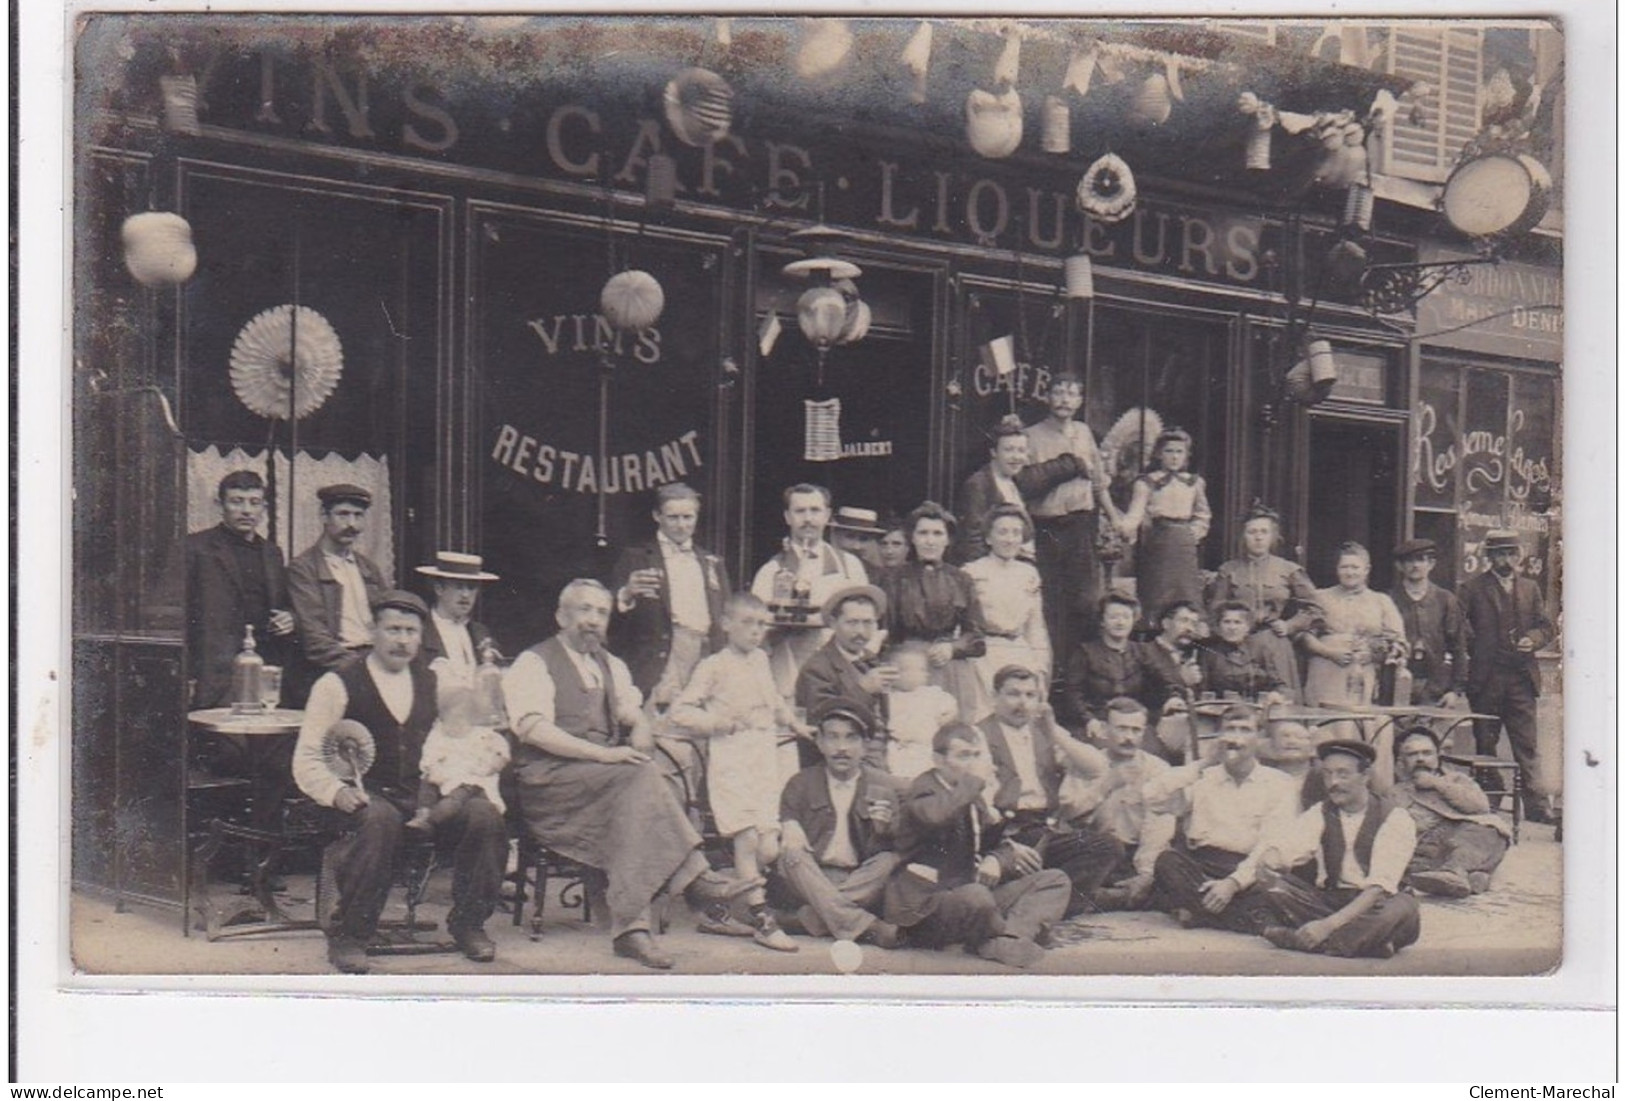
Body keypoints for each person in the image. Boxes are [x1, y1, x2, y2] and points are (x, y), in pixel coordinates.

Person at [499, 579, 758, 970]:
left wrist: (639, 726)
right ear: (561, 616)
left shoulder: (610, 665)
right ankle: (694, 882)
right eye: (584, 610)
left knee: (640, 786)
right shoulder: (534, 662)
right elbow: (534, 729)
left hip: (601, 787)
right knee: (635, 782)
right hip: (550, 787)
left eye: (601, 612)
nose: (593, 620)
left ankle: (632, 930)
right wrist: (603, 755)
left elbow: (630, 710)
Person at [291, 591, 507, 973]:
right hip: (363, 796)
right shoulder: (337, 683)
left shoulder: (436, 680)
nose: (402, 640)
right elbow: (307, 757)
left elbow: (466, 732)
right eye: (392, 629)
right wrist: (336, 792)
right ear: (373, 631)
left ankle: (469, 924)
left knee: (484, 815)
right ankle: (351, 935)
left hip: (424, 794)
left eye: (410, 631)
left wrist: (475, 763)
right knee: (378, 819)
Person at [668, 592, 814, 951]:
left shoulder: (763, 660)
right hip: (731, 760)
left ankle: (716, 905)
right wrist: (720, 722)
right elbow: (680, 712)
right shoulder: (714, 666)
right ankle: (763, 920)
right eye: (747, 623)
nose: (755, 631)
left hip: (763, 761)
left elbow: (776, 702)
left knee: (767, 847)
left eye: (761, 624)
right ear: (727, 624)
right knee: (746, 840)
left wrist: (797, 724)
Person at [887, 722, 1073, 968]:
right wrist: (974, 781)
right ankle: (993, 937)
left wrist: (996, 859)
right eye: (963, 756)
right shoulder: (923, 791)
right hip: (925, 906)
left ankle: (1008, 939)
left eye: (976, 755)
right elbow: (935, 816)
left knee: (1054, 880)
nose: (973, 763)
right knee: (977, 896)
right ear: (938, 760)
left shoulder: (967, 794)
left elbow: (993, 841)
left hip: (970, 894)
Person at [974, 666, 1126, 916]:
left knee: (1108, 846)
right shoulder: (978, 734)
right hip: (1002, 831)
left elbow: (1097, 767)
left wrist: (1054, 732)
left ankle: (1051, 906)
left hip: (1045, 829)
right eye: (1013, 694)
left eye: (1030, 695)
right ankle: (1037, 903)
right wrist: (1005, 843)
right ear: (995, 696)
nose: (1022, 703)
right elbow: (976, 801)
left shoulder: (1044, 732)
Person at [1254, 739, 1422, 959]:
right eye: (1327, 774)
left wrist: (1326, 926)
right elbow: (1291, 845)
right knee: (1276, 889)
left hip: (1378, 904)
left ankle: (1305, 941)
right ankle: (1367, 945)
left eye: (1343, 774)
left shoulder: (1394, 818)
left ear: (1365, 776)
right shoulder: (1321, 811)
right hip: (1332, 900)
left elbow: (1378, 889)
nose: (1333, 782)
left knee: (1398, 911)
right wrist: (1271, 858)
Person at [1146, 705, 1297, 935]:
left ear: (1260, 738)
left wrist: (1232, 883)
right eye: (1230, 729)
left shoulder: (1280, 783)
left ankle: (1201, 913)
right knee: (1167, 862)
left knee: (1276, 887)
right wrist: (1204, 762)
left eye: (1245, 730)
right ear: (1219, 736)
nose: (1235, 738)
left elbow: (1270, 843)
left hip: (1249, 868)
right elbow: (1153, 798)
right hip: (1202, 865)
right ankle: (1251, 921)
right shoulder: (1203, 776)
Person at [771, 700, 906, 949]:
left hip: (858, 880)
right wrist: (790, 826)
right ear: (820, 743)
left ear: (865, 746)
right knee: (792, 854)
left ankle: (811, 919)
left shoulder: (885, 786)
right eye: (832, 738)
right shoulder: (800, 783)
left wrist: (889, 829)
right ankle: (866, 927)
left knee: (889, 859)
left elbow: (902, 843)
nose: (841, 748)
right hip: (812, 877)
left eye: (851, 738)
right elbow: (786, 826)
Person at [1458, 529, 1556, 824]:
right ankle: (1489, 801)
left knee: (1527, 744)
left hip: (1521, 679)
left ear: (1518, 556)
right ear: (1489, 557)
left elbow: (1546, 626)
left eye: (1511, 553)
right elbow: (1460, 627)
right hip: (1486, 679)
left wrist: (1533, 639)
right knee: (1485, 743)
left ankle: (1537, 807)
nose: (1506, 560)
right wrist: (1479, 647)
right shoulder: (1472, 589)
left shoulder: (1530, 589)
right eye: (1499, 554)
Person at [1023, 373, 1121, 666]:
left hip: (1081, 527)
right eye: (1058, 392)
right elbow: (1027, 485)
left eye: (1071, 394)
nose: (1065, 399)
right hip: (1047, 528)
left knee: (1085, 603)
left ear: (1079, 401)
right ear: (1048, 397)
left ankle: (1080, 673)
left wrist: (1115, 518)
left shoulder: (1083, 432)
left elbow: (1098, 482)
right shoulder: (1031, 436)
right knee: (1051, 605)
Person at [609, 483, 731, 706]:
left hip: (704, 657)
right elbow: (611, 621)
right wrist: (626, 594)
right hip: (660, 661)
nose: (681, 525)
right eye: (673, 517)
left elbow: (725, 616)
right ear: (657, 515)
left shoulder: (711, 562)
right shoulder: (636, 557)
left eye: (688, 517)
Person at [185, 469, 295, 709]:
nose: (247, 510)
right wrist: (188, 674)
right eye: (237, 501)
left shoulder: (272, 553)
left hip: (265, 671)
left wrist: (289, 618)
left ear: (264, 508)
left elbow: (284, 603)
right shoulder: (196, 548)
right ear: (220, 504)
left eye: (254, 503)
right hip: (215, 673)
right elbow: (177, 616)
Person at [1056, 697, 1176, 910]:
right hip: (1095, 854)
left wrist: (1145, 873)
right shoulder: (1086, 763)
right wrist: (1104, 787)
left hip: (1135, 858)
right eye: (1121, 729)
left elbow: (1158, 828)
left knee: (1169, 867)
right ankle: (1108, 898)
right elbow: (1067, 815)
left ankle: (1102, 898)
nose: (1129, 737)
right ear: (1104, 729)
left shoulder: (1158, 770)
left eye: (1136, 730)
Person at [750, 484, 869, 697]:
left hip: (840, 676)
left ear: (827, 515)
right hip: (788, 673)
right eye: (800, 511)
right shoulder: (770, 571)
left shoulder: (850, 567)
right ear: (787, 517)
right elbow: (755, 632)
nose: (808, 518)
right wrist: (777, 629)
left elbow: (866, 622)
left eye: (815, 511)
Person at [879, 501, 987, 719]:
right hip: (908, 666)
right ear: (913, 538)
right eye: (923, 533)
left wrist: (953, 648)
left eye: (938, 533)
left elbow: (976, 637)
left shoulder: (961, 579)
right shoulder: (895, 578)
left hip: (949, 667)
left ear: (947, 539)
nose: (930, 540)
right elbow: (885, 632)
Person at [1206, 503, 1321, 704]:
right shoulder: (1229, 570)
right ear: (1243, 536)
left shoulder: (1289, 570)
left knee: (1281, 701)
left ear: (1273, 537)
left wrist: (1290, 625)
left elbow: (1315, 608)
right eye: (1252, 532)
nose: (1258, 537)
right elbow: (1216, 609)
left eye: (1264, 532)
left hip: (1273, 641)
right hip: (1237, 643)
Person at [286, 483, 389, 706]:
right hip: (331, 673)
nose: (351, 524)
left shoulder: (369, 568)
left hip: (374, 666)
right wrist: (366, 671)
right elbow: (315, 640)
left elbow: (388, 619)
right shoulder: (304, 568)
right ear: (323, 515)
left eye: (358, 516)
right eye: (343, 514)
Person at [954, 414, 1091, 564]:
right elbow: (972, 540)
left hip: (1021, 565)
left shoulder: (1018, 478)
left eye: (1021, 451)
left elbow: (1046, 473)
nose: (1016, 457)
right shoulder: (979, 485)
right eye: (1009, 450)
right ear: (994, 452)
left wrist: (1076, 463)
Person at [1391, 726, 1510, 898]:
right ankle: (1470, 877)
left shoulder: (1457, 779)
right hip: (1427, 848)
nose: (1420, 759)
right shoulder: (1396, 792)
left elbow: (1480, 807)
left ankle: (1455, 873)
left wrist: (1437, 784)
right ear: (1401, 761)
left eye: (1427, 753)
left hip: (1463, 840)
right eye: (1412, 754)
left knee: (1490, 829)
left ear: (1437, 757)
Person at [1117, 428, 1212, 629]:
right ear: (1159, 454)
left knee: (1185, 590)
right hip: (1158, 542)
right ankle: (1154, 629)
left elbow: (1203, 514)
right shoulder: (1147, 483)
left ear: (1187, 455)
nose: (1175, 457)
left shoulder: (1194, 483)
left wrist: (1193, 533)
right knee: (1157, 592)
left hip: (1184, 544)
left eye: (1180, 451)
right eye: (1169, 451)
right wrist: (1125, 528)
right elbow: (1135, 513)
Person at [794, 586, 894, 769]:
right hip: (836, 769)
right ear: (833, 623)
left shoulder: (871, 661)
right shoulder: (816, 668)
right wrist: (863, 690)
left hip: (878, 761)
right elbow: (821, 726)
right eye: (852, 623)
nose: (861, 632)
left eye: (868, 623)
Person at [1300, 542, 1407, 713]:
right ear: (1337, 569)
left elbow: (1398, 642)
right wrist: (1329, 652)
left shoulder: (1381, 601)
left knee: (1357, 724)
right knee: (1325, 724)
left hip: (1364, 674)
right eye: (1344, 567)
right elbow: (1304, 635)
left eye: (1355, 567)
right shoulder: (1320, 597)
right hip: (1326, 672)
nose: (1350, 572)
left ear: (1366, 569)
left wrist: (1373, 653)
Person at [964, 504, 1053, 706]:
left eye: (1016, 533)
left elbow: (1035, 626)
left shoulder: (1029, 574)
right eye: (1002, 532)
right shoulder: (972, 572)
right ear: (988, 537)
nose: (1010, 539)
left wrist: (1039, 666)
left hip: (1020, 652)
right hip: (984, 654)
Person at [407, 685, 510, 831]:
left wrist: (493, 764)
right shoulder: (438, 734)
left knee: (461, 792)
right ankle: (423, 813)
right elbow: (430, 753)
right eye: (450, 718)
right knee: (426, 782)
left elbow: (501, 753)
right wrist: (433, 767)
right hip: (444, 774)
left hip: (472, 777)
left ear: (472, 717)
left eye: (462, 718)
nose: (455, 724)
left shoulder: (484, 735)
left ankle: (435, 819)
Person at [1387, 538, 1470, 708]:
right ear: (1400, 566)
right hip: (1396, 686)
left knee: (1433, 734)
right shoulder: (1389, 600)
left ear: (1431, 564)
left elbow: (1458, 646)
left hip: (1436, 689)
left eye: (1421, 560)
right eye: (1409, 560)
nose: (1415, 565)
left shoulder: (1445, 600)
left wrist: (1455, 690)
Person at [1059, 592, 1159, 730]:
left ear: (1133, 620)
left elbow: (1160, 683)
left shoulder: (1142, 651)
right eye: (1113, 617)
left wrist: (1172, 699)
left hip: (1134, 722)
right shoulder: (1085, 652)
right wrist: (1088, 720)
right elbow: (1072, 693)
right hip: (1098, 723)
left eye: (1126, 617)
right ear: (1102, 621)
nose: (1120, 622)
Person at [413, 551, 498, 692]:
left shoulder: (480, 633)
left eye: (471, 588)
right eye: (459, 586)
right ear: (439, 589)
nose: (466, 594)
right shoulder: (421, 632)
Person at [1136, 600, 1208, 763]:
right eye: (1184, 621)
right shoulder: (1145, 652)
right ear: (1166, 623)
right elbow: (1143, 693)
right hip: (1152, 725)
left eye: (1194, 623)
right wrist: (1182, 680)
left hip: (1189, 726)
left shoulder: (1191, 656)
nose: (1189, 628)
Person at [879, 641, 960, 783]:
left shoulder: (931, 693)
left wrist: (948, 715)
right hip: (901, 747)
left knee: (930, 772)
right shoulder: (888, 697)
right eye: (916, 670)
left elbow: (950, 707)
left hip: (926, 745)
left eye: (923, 669)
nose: (924, 674)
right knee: (899, 770)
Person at [1198, 601, 1294, 703]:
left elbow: (1279, 685)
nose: (1232, 628)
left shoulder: (1260, 649)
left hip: (1257, 709)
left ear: (1247, 627)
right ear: (1218, 626)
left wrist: (1277, 695)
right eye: (1226, 622)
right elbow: (1203, 691)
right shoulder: (1209, 652)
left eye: (1238, 622)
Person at [828, 506, 889, 571]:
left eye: (864, 539)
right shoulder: (819, 565)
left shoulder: (876, 573)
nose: (856, 547)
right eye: (850, 537)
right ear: (834, 535)